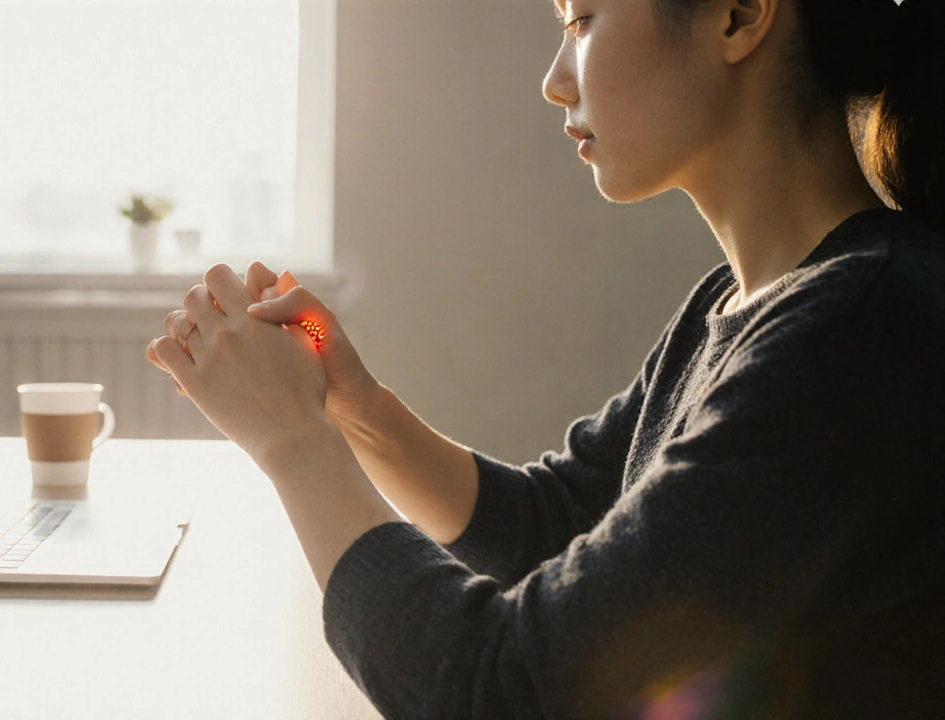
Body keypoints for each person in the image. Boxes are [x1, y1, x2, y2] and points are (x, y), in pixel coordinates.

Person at [147, 0, 945, 716]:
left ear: (738, 15)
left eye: (581, 18)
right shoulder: (741, 303)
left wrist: (293, 445)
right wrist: (355, 408)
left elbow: (501, 689)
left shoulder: (861, 327)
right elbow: (553, 522)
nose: (555, 82)